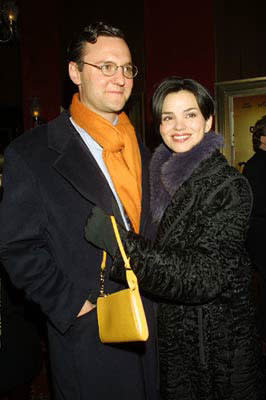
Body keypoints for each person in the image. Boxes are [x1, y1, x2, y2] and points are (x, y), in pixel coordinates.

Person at [0, 22, 159, 400]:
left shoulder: (148, 151)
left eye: (126, 68)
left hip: (155, 334)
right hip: (92, 341)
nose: (119, 77)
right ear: (75, 73)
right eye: (105, 66)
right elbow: (17, 247)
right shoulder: (32, 153)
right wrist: (74, 308)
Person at [85, 76, 266, 399]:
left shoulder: (229, 187)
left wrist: (122, 247)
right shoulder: (157, 179)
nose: (178, 126)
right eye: (168, 117)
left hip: (215, 350)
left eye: (190, 114)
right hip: (172, 339)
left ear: (209, 120)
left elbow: (204, 276)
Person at [243, 115, 266, 355]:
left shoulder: (252, 164)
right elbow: (257, 204)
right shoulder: (256, 165)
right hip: (260, 234)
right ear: (262, 138)